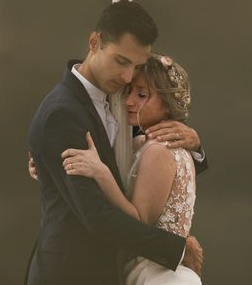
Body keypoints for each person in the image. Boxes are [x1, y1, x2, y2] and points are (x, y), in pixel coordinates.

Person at [25, 0, 205, 285]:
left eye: (137, 66)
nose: (127, 76)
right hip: (72, 273)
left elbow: (148, 163)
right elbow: (96, 215)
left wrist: (194, 148)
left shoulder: (121, 99)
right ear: (94, 42)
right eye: (121, 61)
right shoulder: (63, 113)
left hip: (113, 272)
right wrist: (177, 248)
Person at [62, 53, 201, 284]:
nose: (128, 101)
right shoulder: (141, 143)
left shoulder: (159, 150)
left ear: (167, 105)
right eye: (129, 92)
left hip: (157, 274)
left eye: (142, 95)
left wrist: (100, 172)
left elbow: (139, 222)